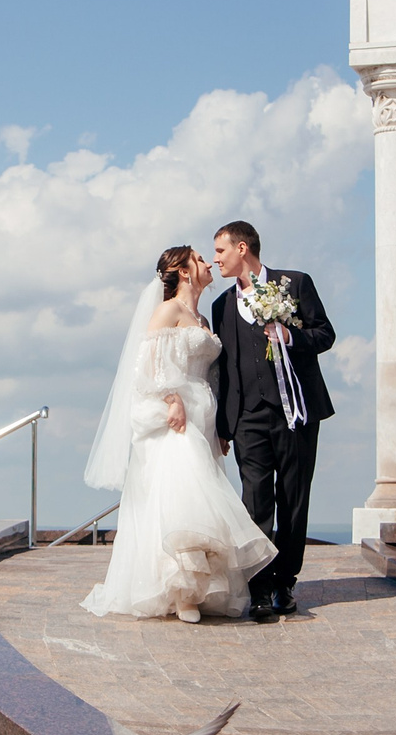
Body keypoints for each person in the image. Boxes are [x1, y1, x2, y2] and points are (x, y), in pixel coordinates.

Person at [80, 245, 275, 622]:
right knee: (184, 494)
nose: (208, 262)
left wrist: (220, 427)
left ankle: (201, 588)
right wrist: (172, 399)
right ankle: (181, 591)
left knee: (202, 494)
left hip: (203, 416)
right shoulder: (168, 310)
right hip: (176, 414)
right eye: (200, 259)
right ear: (184, 271)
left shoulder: (202, 316)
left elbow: (214, 375)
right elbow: (147, 365)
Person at [207, 220, 335, 623]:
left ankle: (285, 583)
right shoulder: (221, 306)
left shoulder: (295, 284)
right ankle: (260, 589)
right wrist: (223, 426)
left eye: (220, 251)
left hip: (297, 413)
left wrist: (290, 337)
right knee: (255, 503)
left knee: (293, 501)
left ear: (242, 248)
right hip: (247, 417)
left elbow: (325, 334)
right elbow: (223, 370)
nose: (216, 259)